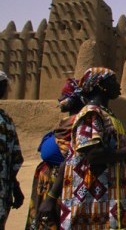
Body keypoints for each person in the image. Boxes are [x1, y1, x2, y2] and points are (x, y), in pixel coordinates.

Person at [39, 67, 126, 229]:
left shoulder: (105, 114)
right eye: (113, 81)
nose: (119, 86)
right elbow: (94, 155)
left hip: (111, 200)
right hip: (93, 202)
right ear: (101, 86)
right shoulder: (91, 115)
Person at [25, 78, 86, 229]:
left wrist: (51, 196)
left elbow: (70, 159)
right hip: (52, 183)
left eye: (64, 96)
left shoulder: (80, 122)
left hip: (60, 187)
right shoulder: (70, 121)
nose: (61, 100)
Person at [0, 70, 24, 229]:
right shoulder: (5, 120)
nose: (7, 89)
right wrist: (14, 186)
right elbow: (15, 159)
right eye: (5, 85)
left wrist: (15, 186)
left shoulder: (6, 119)